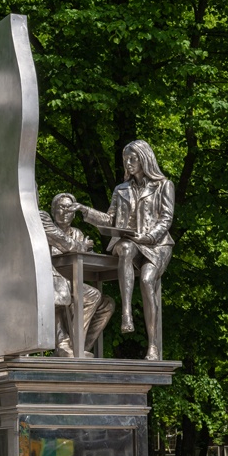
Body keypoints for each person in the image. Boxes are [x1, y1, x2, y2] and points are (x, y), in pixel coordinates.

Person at [76, 140, 174, 361]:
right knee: (126, 248)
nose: (128, 163)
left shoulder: (163, 185)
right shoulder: (121, 190)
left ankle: (152, 347)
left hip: (156, 245)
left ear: (145, 158)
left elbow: (166, 219)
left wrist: (148, 237)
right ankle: (126, 313)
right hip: (130, 242)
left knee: (148, 280)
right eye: (125, 160)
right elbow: (109, 218)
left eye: (133, 159)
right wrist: (85, 211)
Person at [40, 192, 115, 358]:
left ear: (74, 213)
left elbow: (81, 258)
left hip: (72, 281)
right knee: (92, 295)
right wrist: (81, 246)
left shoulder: (77, 233)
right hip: (52, 281)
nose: (65, 212)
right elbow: (66, 246)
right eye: (61, 207)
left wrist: (83, 248)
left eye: (69, 208)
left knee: (107, 303)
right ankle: (71, 347)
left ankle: (79, 348)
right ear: (53, 211)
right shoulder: (46, 228)